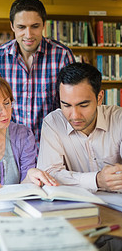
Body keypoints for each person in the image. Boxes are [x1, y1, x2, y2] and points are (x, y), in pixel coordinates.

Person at [0, 0, 75, 148]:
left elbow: (71, 104)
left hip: (54, 145)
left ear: (43, 25)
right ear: (12, 26)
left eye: (35, 26)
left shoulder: (62, 56)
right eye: (21, 27)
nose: (28, 35)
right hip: (11, 146)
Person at [37, 62, 122, 193]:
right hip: (74, 208)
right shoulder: (53, 123)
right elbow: (49, 174)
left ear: (99, 98)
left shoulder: (118, 119)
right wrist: (97, 180)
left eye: (83, 105)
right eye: (66, 105)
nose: (75, 115)